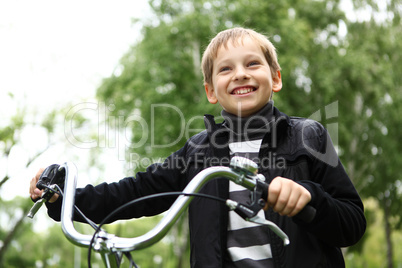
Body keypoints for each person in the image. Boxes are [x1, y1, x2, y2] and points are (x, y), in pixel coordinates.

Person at [30, 27, 366, 267]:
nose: (240, 74)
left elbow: (351, 223)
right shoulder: (199, 152)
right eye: (225, 69)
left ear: (275, 78)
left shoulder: (308, 136)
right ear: (211, 90)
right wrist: (67, 196)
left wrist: (310, 199)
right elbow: (134, 193)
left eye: (252, 64)